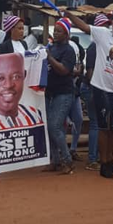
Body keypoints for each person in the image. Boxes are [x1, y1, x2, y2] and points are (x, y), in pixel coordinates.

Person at [66, 9, 113, 179]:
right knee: (103, 126)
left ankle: (110, 160)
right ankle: (103, 163)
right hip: (100, 87)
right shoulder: (103, 34)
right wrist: (68, 15)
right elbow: (84, 27)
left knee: (112, 127)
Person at [43, 18, 77, 174]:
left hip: (64, 93)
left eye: (59, 31)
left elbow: (64, 70)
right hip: (50, 92)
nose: (55, 33)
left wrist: (49, 58)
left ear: (66, 34)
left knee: (55, 126)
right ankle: (55, 160)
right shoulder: (52, 47)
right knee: (50, 127)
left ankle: (67, 160)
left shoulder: (68, 51)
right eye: (54, 30)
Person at [0, 53, 43, 132]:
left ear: (24, 76)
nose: (8, 85)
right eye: (0, 78)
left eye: (16, 77)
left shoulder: (33, 115)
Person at [81, 14, 109, 171]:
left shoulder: (101, 47)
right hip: (91, 88)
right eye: (103, 26)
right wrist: (96, 91)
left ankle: (96, 156)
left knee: (98, 124)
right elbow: (90, 73)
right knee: (95, 123)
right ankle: (92, 159)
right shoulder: (94, 47)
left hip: (97, 87)